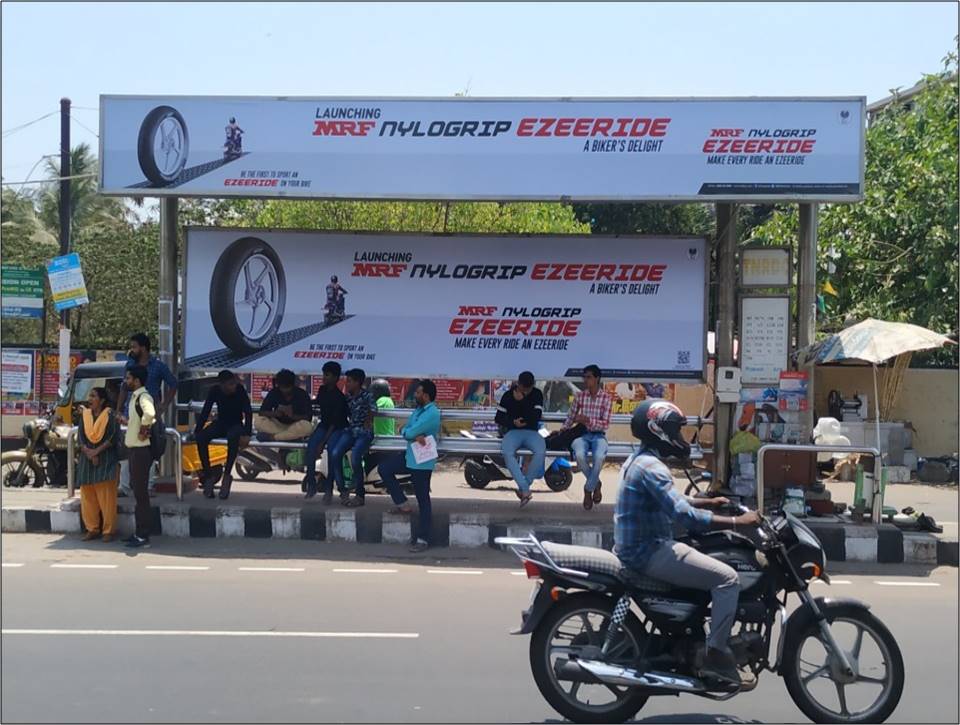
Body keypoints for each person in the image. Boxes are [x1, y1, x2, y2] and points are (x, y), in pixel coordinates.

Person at [614, 399, 761, 685]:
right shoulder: (651, 468)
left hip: (643, 546)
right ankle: (716, 657)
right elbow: (686, 516)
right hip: (649, 551)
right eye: (675, 431)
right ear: (658, 430)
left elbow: (672, 499)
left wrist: (708, 501)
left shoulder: (641, 460)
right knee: (727, 578)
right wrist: (737, 523)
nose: (680, 439)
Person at [380, 380, 440, 553]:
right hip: (410, 457)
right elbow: (406, 430)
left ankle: (423, 539)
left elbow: (409, 432)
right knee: (385, 469)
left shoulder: (432, 413)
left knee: (423, 500)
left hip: (422, 462)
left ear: (426, 395)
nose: (415, 395)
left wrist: (409, 433)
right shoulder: (419, 410)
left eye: (418, 393)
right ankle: (402, 503)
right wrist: (409, 433)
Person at [116, 333, 177, 497]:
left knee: (147, 450)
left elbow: (173, 384)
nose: (132, 350)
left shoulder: (158, 366)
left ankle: (148, 486)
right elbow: (123, 387)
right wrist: (118, 410)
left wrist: (163, 405)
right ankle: (125, 486)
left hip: (149, 415)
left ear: (143, 348)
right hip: (131, 413)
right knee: (127, 448)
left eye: (134, 346)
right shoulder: (130, 364)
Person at [194, 370, 253, 500]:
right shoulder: (215, 390)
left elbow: (248, 412)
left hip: (236, 424)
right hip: (221, 423)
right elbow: (206, 410)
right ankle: (209, 476)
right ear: (222, 385)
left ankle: (227, 476)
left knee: (233, 437)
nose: (233, 386)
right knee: (201, 438)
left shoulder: (240, 390)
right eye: (230, 384)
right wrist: (198, 430)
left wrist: (247, 433)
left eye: (234, 383)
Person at [564, 364, 613, 511]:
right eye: (584, 377)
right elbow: (571, 417)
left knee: (599, 457)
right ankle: (596, 484)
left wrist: (587, 420)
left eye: (589, 377)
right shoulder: (580, 396)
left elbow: (605, 425)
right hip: (582, 435)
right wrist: (562, 430)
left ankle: (587, 489)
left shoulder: (606, 398)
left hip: (598, 436)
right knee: (579, 456)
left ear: (597, 378)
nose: (586, 380)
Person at [77, 387, 122, 543]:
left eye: (93, 396)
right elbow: (81, 437)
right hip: (86, 459)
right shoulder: (85, 415)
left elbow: (113, 437)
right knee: (87, 495)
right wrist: (89, 452)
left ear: (102, 400)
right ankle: (92, 528)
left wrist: (96, 452)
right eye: (89, 395)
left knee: (106, 496)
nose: (90, 399)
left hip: (106, 459)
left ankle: (108, 531)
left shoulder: (110, 415)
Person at [495, 371, 545, 507]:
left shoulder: (537, 394)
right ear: (518, 384)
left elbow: (536, 416)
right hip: (513, 431)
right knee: (507, 452)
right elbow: (498, 417)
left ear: (533, 385)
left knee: (540, 451)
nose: (526, 391)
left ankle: (524, 488)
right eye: (523, 388)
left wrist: (522, 401)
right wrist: (513, 422)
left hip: (531, 431)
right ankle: (525, 488)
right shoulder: (508, 395)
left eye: (528, 389)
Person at [303, 361, 349, 502]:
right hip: (324, 425)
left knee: (331, 452)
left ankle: (329, 489)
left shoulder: (339, 398)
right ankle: (311, 484)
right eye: (324, 374)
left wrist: (322, 443)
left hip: (337, 428)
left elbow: (335, 423)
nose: (324, 377)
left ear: (335, 378)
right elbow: (317, 403)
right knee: (310, 448)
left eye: (327, 375)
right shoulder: (322, 390)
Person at [123, 366, 157, 549]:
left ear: (136, 380)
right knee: (138, 493)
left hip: (141, 451)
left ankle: (143, 535)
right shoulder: (136, 397)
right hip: (135, 450)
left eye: (128, 378)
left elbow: (150, 414)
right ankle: (139, 532)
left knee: (141, 495)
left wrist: (145, 429)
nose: (126, 381)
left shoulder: (143, 397)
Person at [335, 369, 378, 508]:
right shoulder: (347, 397)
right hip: (351, 431)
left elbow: (373, 410)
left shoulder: (367, 396)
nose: (347, 383)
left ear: (358, 382)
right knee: (335, 453)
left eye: (349, 381)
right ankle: (343, 490)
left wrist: (368, 421)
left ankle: (360, 495)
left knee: (355, 457)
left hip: (364, 433)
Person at [255, 369, 313, 442]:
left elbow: (308, 417)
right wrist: (275, 413)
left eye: (287, 388)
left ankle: (274, 438)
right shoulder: (274, 392)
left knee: (307, 427)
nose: (284, 391)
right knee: (258, 421)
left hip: (294, 425)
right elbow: (262, 412)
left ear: (292, 385)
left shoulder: (302, 394)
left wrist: (293, 416)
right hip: (277, 425)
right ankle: (287, 436)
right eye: (282, 387)